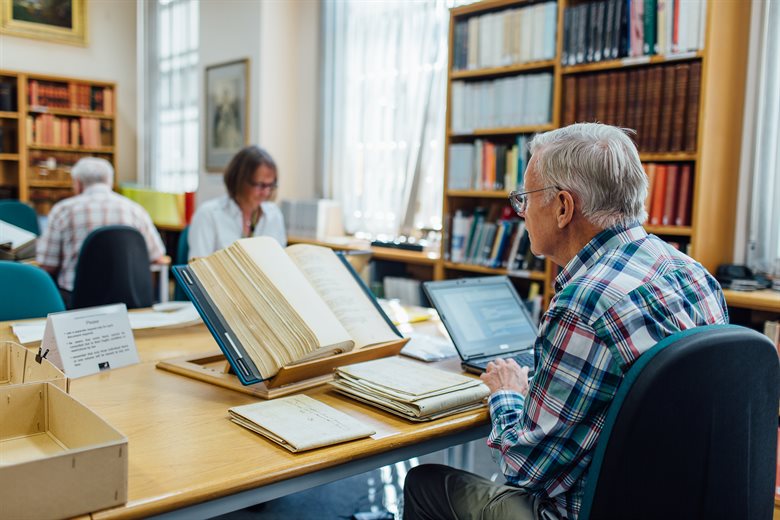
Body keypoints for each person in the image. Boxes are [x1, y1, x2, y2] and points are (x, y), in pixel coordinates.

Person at [403, 123, 728, 520]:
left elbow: (523, 469)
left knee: (424, 483)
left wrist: (507, 392)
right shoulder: (691, 272)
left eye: (524, 198)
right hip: (678, 503)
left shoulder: (584, 303)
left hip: (584, 511)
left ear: (562, 207)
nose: (520, 212)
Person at [36, 157, 166, 307]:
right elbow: (158, 258)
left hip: (78, 301)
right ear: (110, 181)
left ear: (78, 183)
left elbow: (47, 265)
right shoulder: (135, 210)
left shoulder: (63, 211)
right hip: (129, 301)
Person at [188, 145, 286, 259]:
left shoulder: (274, 215)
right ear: (240, 181)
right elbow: (198, 270)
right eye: (260, 185)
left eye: (271, 185)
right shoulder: (208, 214)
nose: (266, 192)